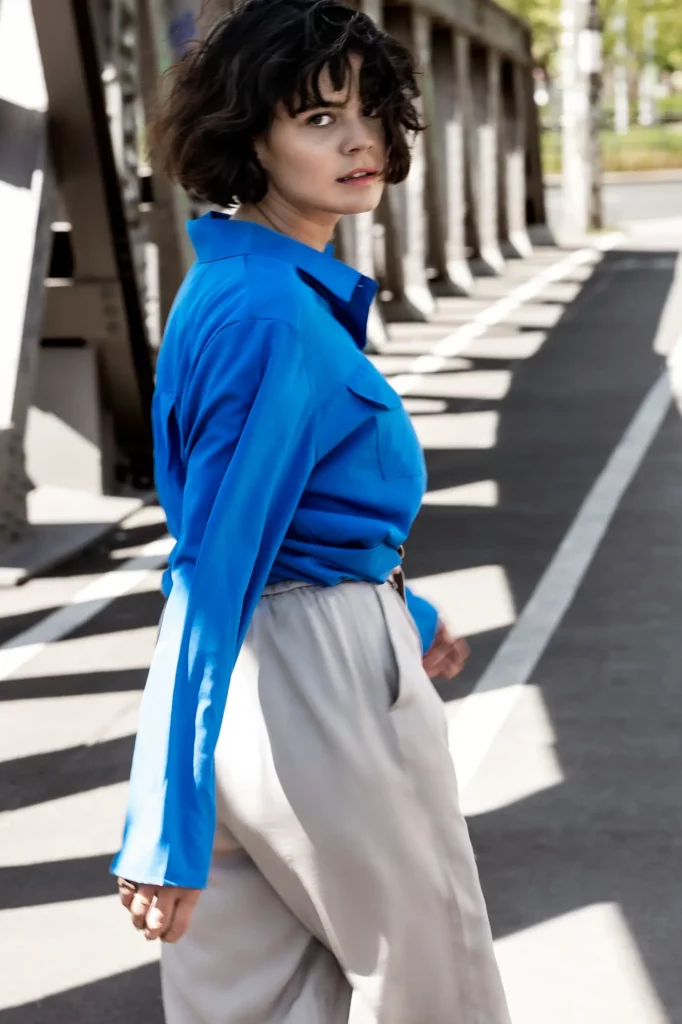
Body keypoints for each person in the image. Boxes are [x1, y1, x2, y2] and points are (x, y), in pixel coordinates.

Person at [113, 1, 511, 1021]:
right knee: (434, 991)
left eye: (370, 112)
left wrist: (404, 616)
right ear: (250, 134)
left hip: (284, 676)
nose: (360, 140)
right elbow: (211, 571)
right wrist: (163, 819)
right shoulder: (270, 316)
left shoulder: (248, 285)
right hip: (307, 685)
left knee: (255, 999)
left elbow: (278, 526)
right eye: (318, 117)